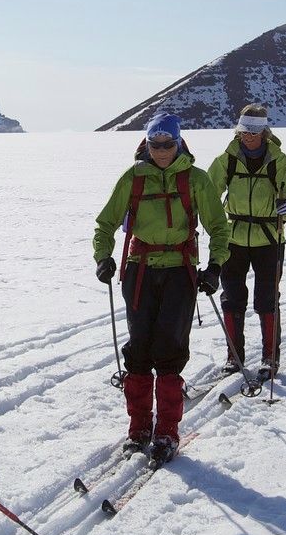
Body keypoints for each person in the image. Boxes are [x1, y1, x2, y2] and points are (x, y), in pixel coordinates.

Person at [92, 112, 230, 463]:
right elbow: (105, 223)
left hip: (179, 273)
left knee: (169, 349)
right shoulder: (133, 177)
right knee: (138, 350)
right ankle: (138, 428)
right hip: (139, 271)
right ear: (148, 144)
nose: (162, 151)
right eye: (155, 145)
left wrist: (215, 266)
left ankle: (167, 430)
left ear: (178, 143)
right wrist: (103, 257)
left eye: (168, 145)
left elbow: (218, 226)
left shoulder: (196, 179)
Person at [206, 103, 286, 379]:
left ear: (263, 133)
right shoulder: (226, 160)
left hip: (269, 238)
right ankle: (234, 357)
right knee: (232, 299)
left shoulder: (278, 161)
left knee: (267, 300)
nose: (247, 137)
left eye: (253, 132)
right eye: (244, 131)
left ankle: (270, 358)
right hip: (234, 237)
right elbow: (208, 193)